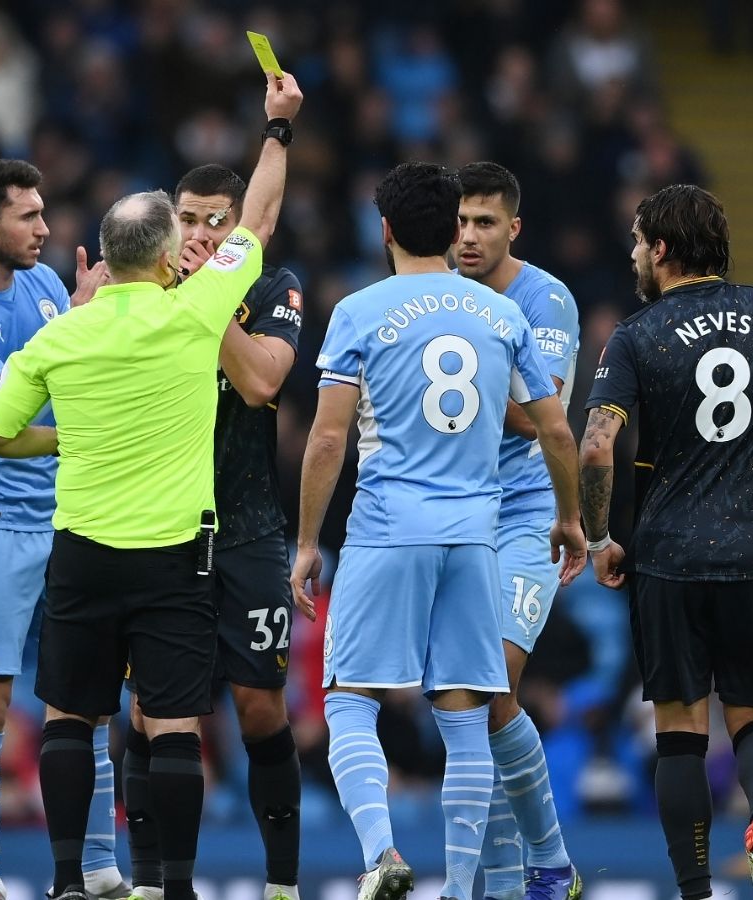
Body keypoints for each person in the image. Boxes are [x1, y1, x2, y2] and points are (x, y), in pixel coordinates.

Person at [0, 72, 303, 900]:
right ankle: (179, 888)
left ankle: (64, 883)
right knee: (177, 725)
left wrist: (67, 434)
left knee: (70, 719)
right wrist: (278, 129)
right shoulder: (193, 314)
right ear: (165, 256)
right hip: (171, 555)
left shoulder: (62, 334)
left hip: (81, 549)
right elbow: (258, 219)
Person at [288, 161, 588, 900]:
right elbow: (554, 427)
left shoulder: (359, 310)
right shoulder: (502, 315)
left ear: (384, 230)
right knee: (465, 711)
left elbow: (327, 441)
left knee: (349, 698)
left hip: (389, 527)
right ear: (452, 230)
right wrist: (575, 519)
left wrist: (304, 542)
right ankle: (462, 888)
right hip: (476, 532)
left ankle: (382, 853)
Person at [577, 184, 753, 900]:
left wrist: (603, 534)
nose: (635, 253)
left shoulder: (635, 336)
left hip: (666, 561)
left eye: (639, 242)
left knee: (679, 734)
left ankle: (696, 889)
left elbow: (597, 448)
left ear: (662, 249)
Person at [0, 157, 130, 900]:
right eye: (28, 216)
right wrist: (83, 425)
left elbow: (71, 380)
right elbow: (9, 418)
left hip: (66, 518)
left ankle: (100, 868)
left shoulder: (44, 286)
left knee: (87, 697)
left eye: (44, 212)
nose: (45, 228)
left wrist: (83, 315)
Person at [119, 163, 305, 900]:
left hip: (250, 527)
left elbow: (263, 384)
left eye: (214, 221)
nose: (197, 235)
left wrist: (211, 299)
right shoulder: (141, 288)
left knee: (261, 707)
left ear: (241, 228)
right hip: (165, 526)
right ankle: (153, 884)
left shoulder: (270, 287)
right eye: (186, 220)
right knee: (155, 711)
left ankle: (283, 885)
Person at [453, 160, 583, 900]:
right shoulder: (438, 289)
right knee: (466, 706)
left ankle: (548, 856)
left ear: (514, 228)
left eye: (485, 223)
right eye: (461, 223)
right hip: (455, 511)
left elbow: (537, 413)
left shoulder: (545, 299)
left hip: (527, 511)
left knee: (494, 683)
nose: (469, 238)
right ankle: (505, 883)